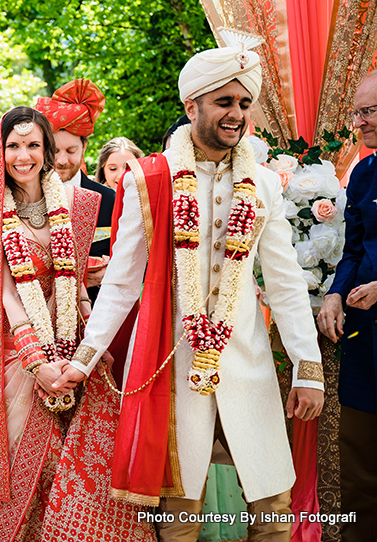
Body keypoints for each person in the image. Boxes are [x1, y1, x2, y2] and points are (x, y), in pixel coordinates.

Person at [59, 34, 325, 542]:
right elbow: (120, 279)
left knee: (274, 509)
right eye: (225, 101)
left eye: (244, 104)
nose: (237, 114)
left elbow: (287, 283)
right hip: (174, 368)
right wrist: (85, 358)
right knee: (179, 518)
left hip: (246, 361)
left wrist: (306, 368)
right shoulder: (148, 179)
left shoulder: (264, 183)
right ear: (192, 105)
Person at [0, 106, 155, 542]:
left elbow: (74, 284)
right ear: (0, 152)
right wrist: (38, 364)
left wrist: (85, 341)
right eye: (14, 146)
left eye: (33, 145)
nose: (24, 156)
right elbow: (7, 295)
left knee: (82, 471)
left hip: (75, 352)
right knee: (22, 464)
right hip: (14, 355)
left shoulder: (78, 205)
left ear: (48, 151)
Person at [317, 71, 377, 542]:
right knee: (357, 459)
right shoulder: (363, 171)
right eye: (358, 111)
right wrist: (336, 292)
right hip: (362, 339)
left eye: (371, 111)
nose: (360, 122)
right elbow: (353, 251)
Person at [34, 79, 115, 296]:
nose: (61, 160)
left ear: (84, 147)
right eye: (55, 151)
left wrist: (108, 274)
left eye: (71, 151)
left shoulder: (110, 200)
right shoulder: (27, 197)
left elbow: (141, 262)